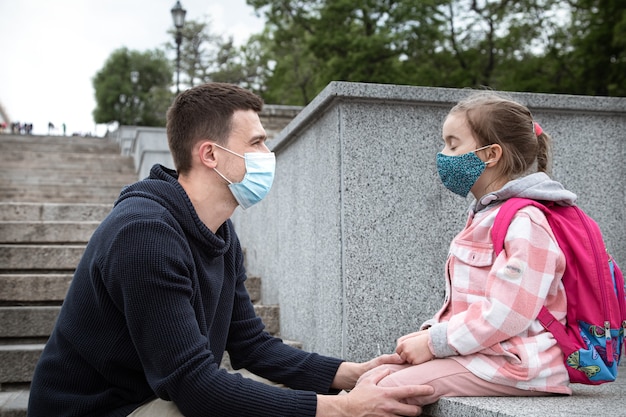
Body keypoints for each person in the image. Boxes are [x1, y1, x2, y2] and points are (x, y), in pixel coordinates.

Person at [27, 82, 433, 417]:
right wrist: (342, 409)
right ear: (210, 154)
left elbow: (250, 343)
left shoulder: (219, 232)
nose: (267, 156)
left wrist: (348, 373)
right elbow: (193, 385)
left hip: (149, 399)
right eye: (256, 143)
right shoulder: (144, 234)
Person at [359, 91, 574, 405]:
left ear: (490, 154)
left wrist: (434, 342)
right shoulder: (485, 215)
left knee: (383, 391)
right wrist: (431, 334)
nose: (443, 154)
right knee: (371, 378)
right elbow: (467, 305)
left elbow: (509, 313)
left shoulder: (526, 222)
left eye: (453, 143)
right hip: (485, 354)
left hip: (518, 363)